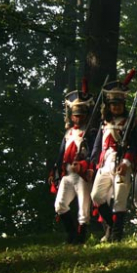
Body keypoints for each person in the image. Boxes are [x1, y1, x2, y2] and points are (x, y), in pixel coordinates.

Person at [90, 71, 137, 242]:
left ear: (123, 104)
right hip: (105, 164)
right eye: (113, 104)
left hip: (122, 163)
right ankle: (111, 225)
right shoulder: (104, 123)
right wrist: (93, 164)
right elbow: (97, 146)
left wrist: (126, 163)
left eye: (119, 104)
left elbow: (134, 145)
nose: (116, 107)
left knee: (119, 200)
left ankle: (117, 235)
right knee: (96, 196)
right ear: (109, 106)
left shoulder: (130, 122)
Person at [50, 84, 97, 244]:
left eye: (81, 115)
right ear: (71, 116)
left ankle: (80, 237)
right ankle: (71, 233)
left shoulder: (91, 133)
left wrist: (84, 164)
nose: (78, 118)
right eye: (76, 115)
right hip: (67, 174)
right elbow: (61, 154)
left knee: (84, 209)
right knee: (60, 205)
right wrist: (54, 171)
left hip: (82, 174)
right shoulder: (68, 133)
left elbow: (94, 154)